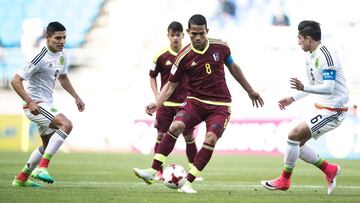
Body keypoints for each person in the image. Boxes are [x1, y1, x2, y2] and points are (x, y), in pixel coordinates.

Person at [134, 14, 264, 193]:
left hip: (220, 104)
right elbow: (171, 85)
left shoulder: (221, 47)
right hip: (196, 101)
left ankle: (188, 183)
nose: (198, 37)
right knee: (176, 125)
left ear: (207, 31)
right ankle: (152, 169)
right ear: (188, 32)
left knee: (210, 138)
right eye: (194, 33)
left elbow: (233, 68)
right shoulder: (183, 57)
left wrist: (250, 90)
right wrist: (157, 102)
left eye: (201, 33)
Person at [261, 20, 348, 195]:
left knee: (293, 136)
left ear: (308, 39)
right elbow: (312, 84)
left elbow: (328, 87)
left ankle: (284, 180)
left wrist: (302, 88)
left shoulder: (327, 55)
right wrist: (292, 98)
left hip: (334, 110)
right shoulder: (310, 56)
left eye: (300, 38)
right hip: (323, 107)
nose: (298, 42)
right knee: (297, 144)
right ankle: (329, 170)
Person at [10, 21, 85, 187]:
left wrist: (76, 96)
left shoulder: (62, 54)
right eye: (58, 38)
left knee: (47, 146)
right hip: (35, 105)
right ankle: (42, 167)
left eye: (64, 37)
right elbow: (15, 80)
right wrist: (29, 102)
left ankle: (21, 178)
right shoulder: (39, 57)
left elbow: (63, 77)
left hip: (46, 104)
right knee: (66, 125)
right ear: (47, 37)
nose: (62, 41)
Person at [149, 21, 200, 180]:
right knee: (161, 136)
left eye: (178, 35)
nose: (175, 38)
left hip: (186, 104)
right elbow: (152, 76)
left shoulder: (189, 53)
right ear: (168, 36)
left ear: (183, 35)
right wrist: (157, 95)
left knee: (189, 137)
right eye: (173, 35)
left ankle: (193, 170)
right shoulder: (160, 55)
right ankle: (158, 171)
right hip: (166, 104)